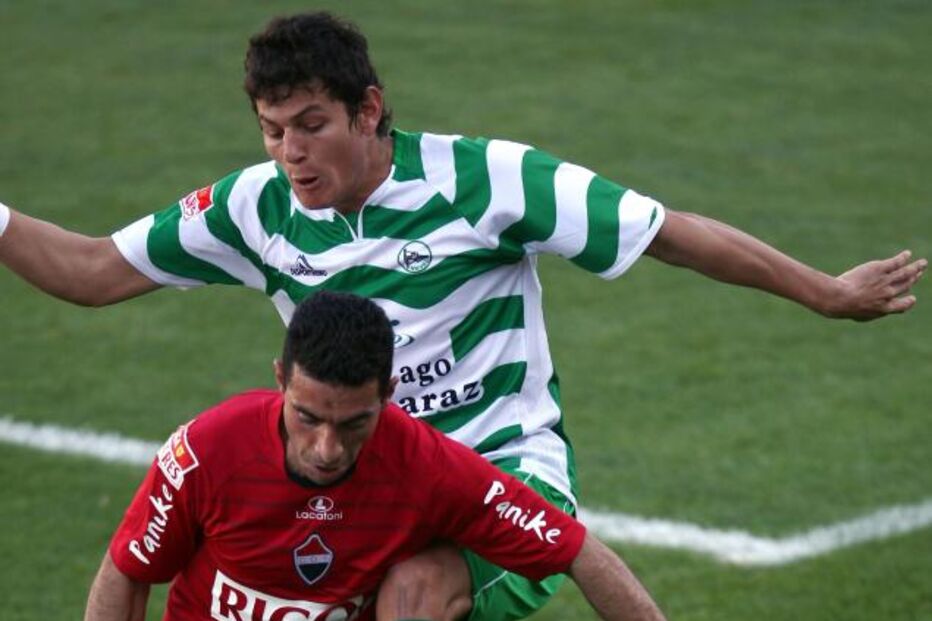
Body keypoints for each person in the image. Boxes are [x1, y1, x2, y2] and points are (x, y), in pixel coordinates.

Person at [0, 10, 925, 621]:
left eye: (312, 124)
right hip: (361, 472)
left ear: (369, 109)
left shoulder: (486, 180)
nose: (291, 151)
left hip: (498, 471)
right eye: (273, 129)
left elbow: (668, 233)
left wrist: (825, 291)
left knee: (412, 594)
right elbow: (89, 271)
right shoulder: (253, 207)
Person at [84, 291, 666, 621]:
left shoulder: (427, 467)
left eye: (354, 423)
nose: (327, 449)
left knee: (419, 591)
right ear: (281, 379)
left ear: (388, 396)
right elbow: (127, 573)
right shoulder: (208, 451)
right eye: (307, 417)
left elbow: (578, 551)